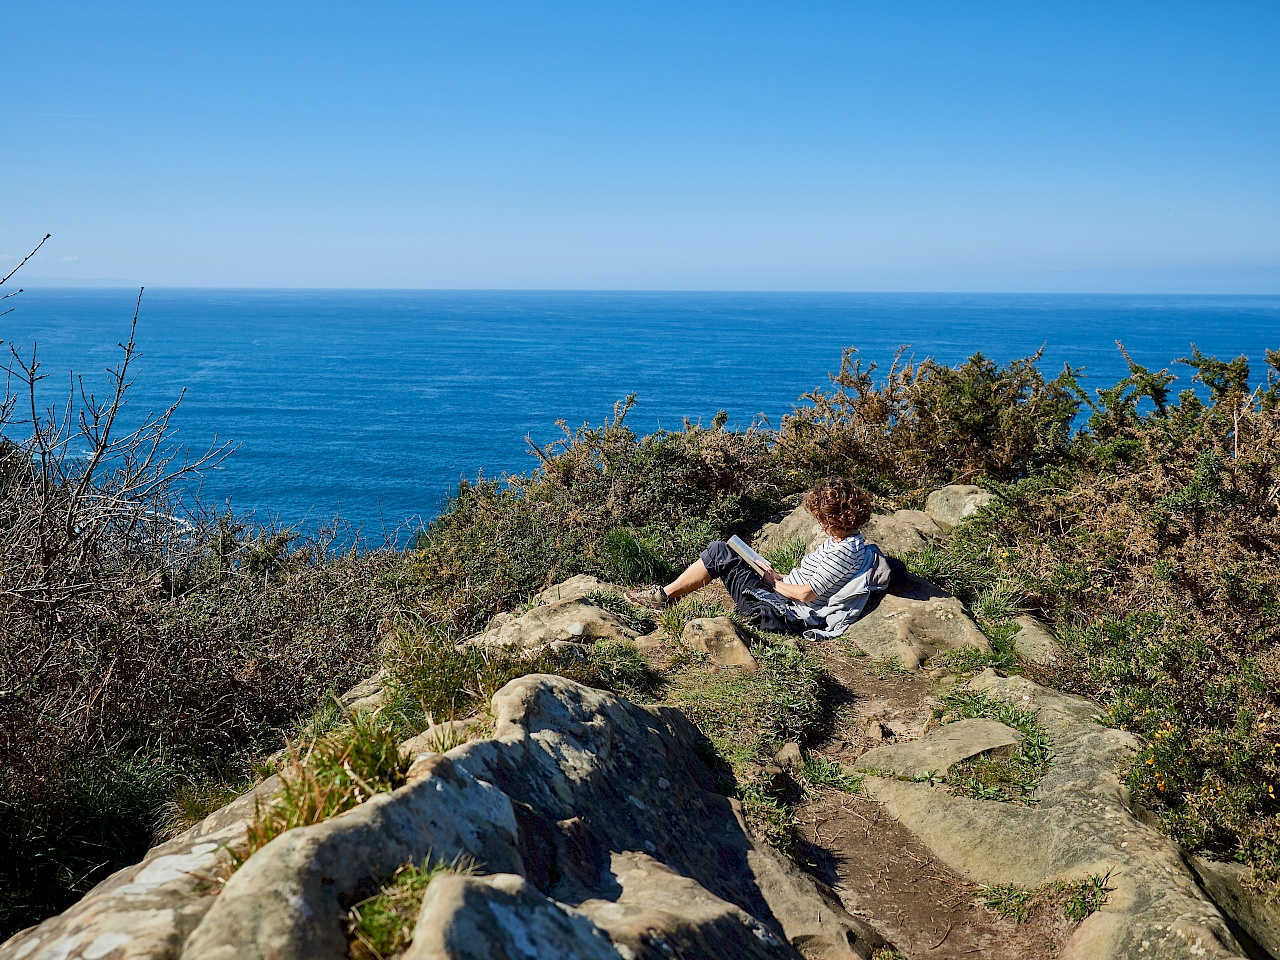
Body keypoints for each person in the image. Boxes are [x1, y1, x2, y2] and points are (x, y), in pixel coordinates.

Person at [626, 477, 892, 639]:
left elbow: (806, 595)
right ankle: (667, 596)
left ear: (833, 517)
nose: (819, 522)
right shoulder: (843, 543)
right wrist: (775, 576)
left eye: (821, 516)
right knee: (728, 550)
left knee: (721, 552)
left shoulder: (844, 551)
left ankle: (662, 598)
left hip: (781, 615)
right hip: (781, 599)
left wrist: (772, 582)